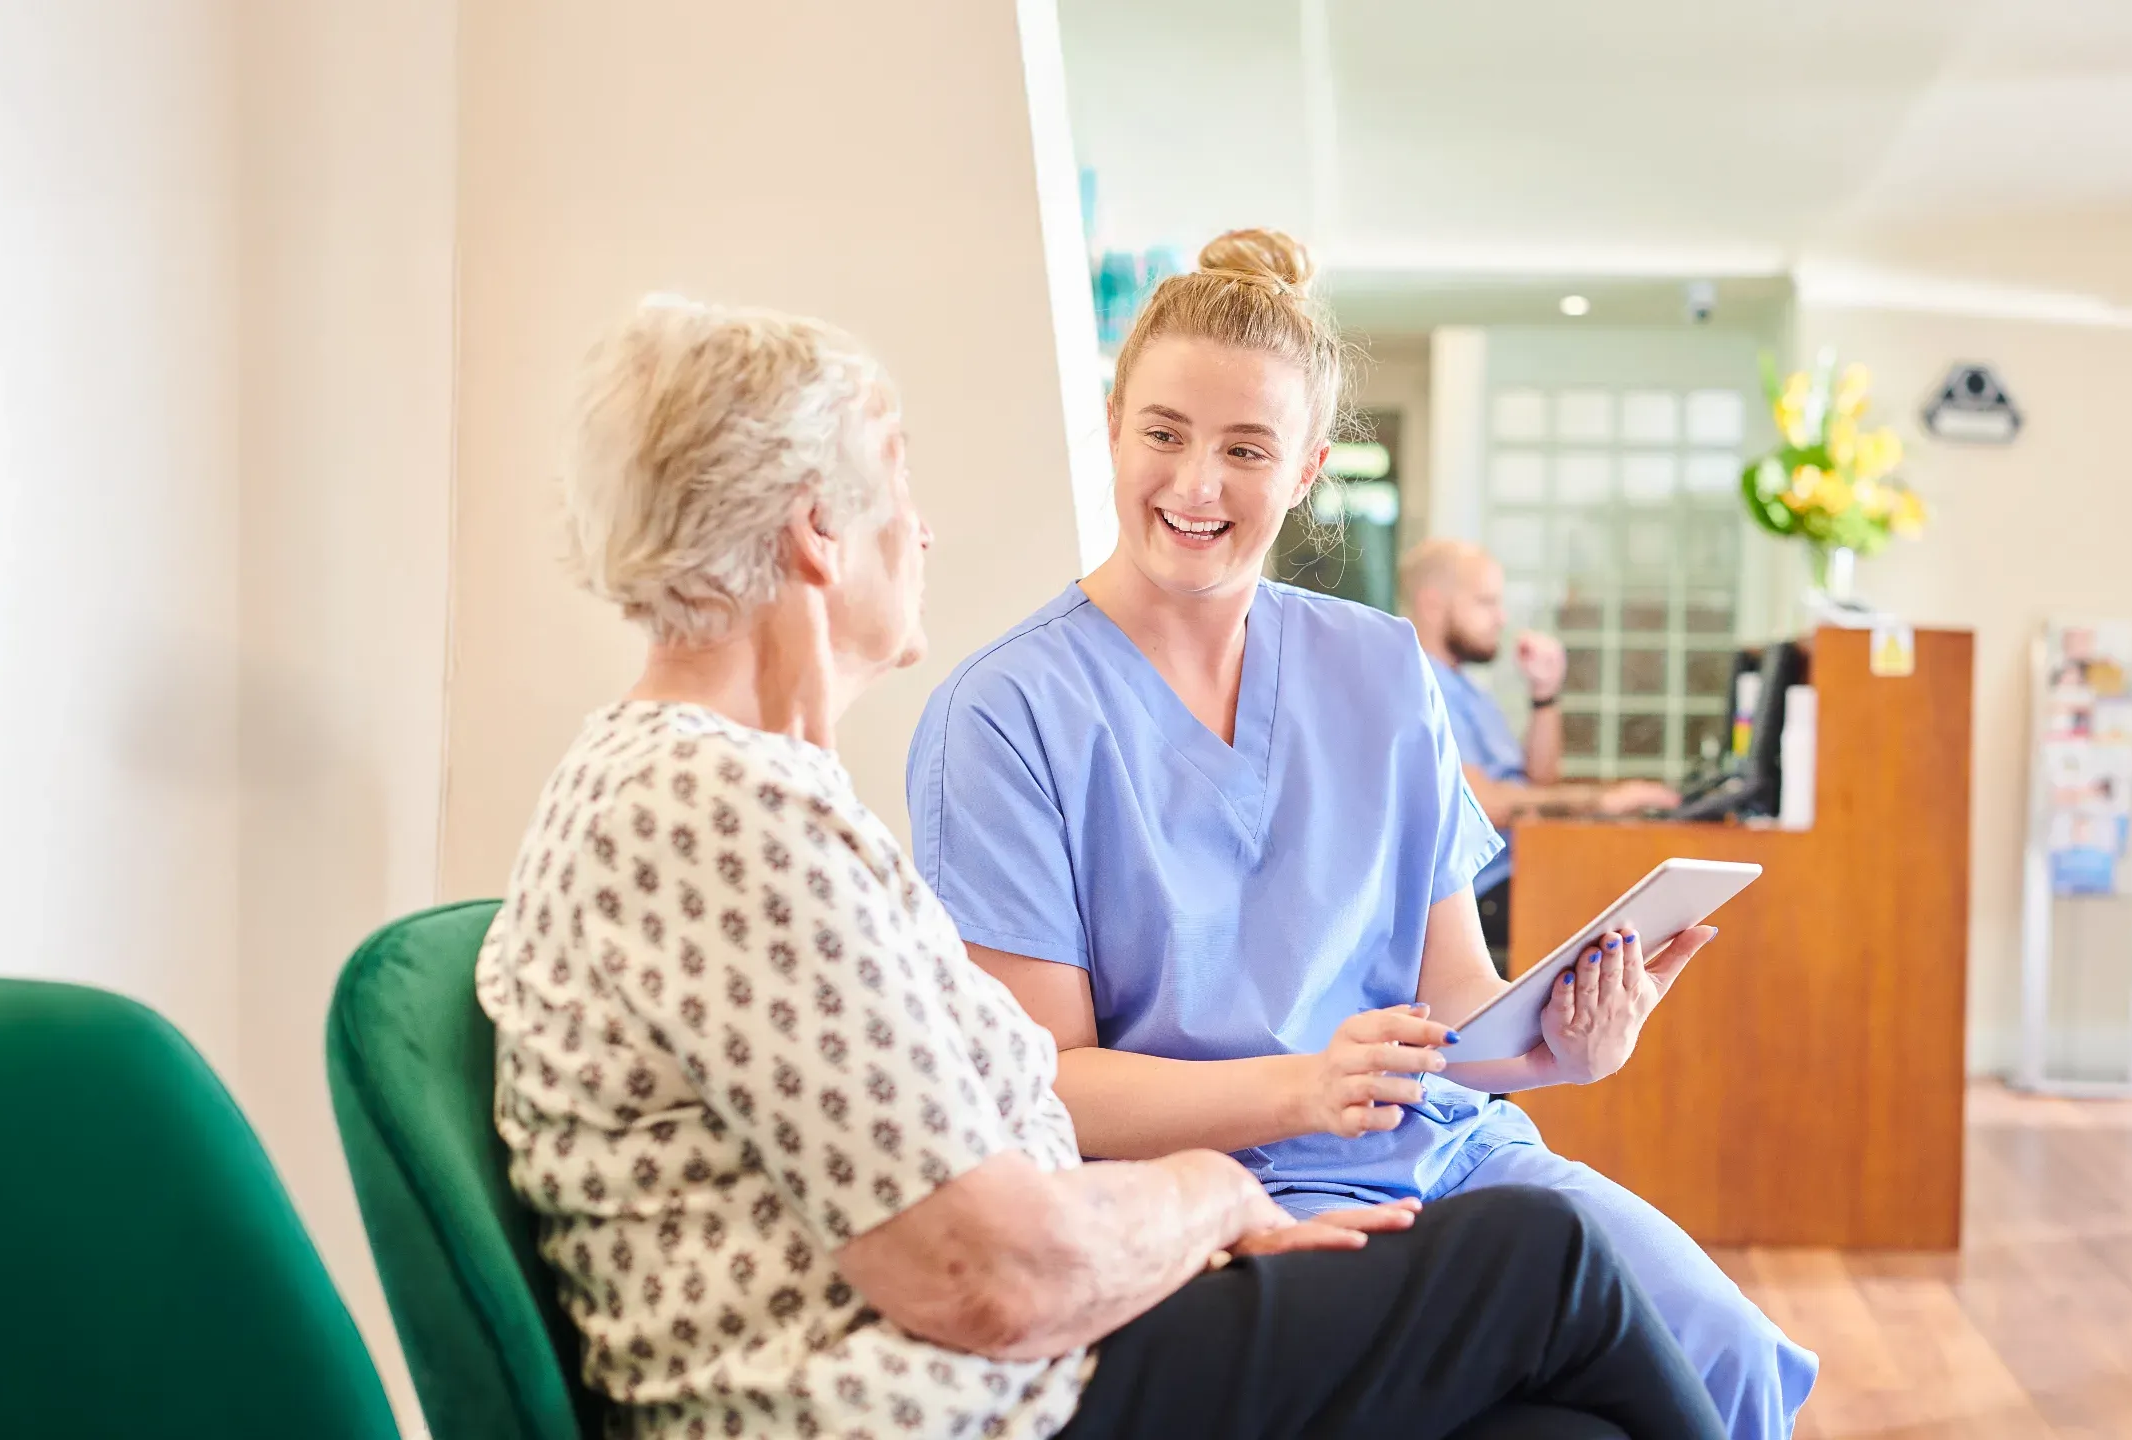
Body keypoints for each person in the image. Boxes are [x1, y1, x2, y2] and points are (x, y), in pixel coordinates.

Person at [475, 294, 1729, 1440]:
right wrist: (1211, 1205)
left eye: (1245, 448)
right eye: (894, 485)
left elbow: (967, 1183)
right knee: (1540, 1253)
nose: (920, 527)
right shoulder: (717, 810)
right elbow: (987, 1271)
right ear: (817, 532)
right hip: (955, 1398)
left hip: (1022, 1344)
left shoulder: (746, 794)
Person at [908, 229, 1818, 1440]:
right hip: (1220, 1192)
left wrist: (1562, 1051)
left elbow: (1448, 1009)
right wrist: (1300, 1089)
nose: (1194, 484)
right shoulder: (1006, 712)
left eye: (1244, 450)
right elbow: (1046, 1088)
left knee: (1729, 1355)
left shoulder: (1383, 669)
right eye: (1165, 433)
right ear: (1115, 421)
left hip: (1452, 1157)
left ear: (1304, 473)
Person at [1398, 538, 1680, 949]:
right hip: (1479, 900)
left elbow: (1539, 781)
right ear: (1432, 603)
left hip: (1522, 872)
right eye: (1486, 603)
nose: (1502, 617)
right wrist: (1602, 802)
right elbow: (1486, 805)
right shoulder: (1420, 684)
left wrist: (1545, 694)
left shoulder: (1468, 689)